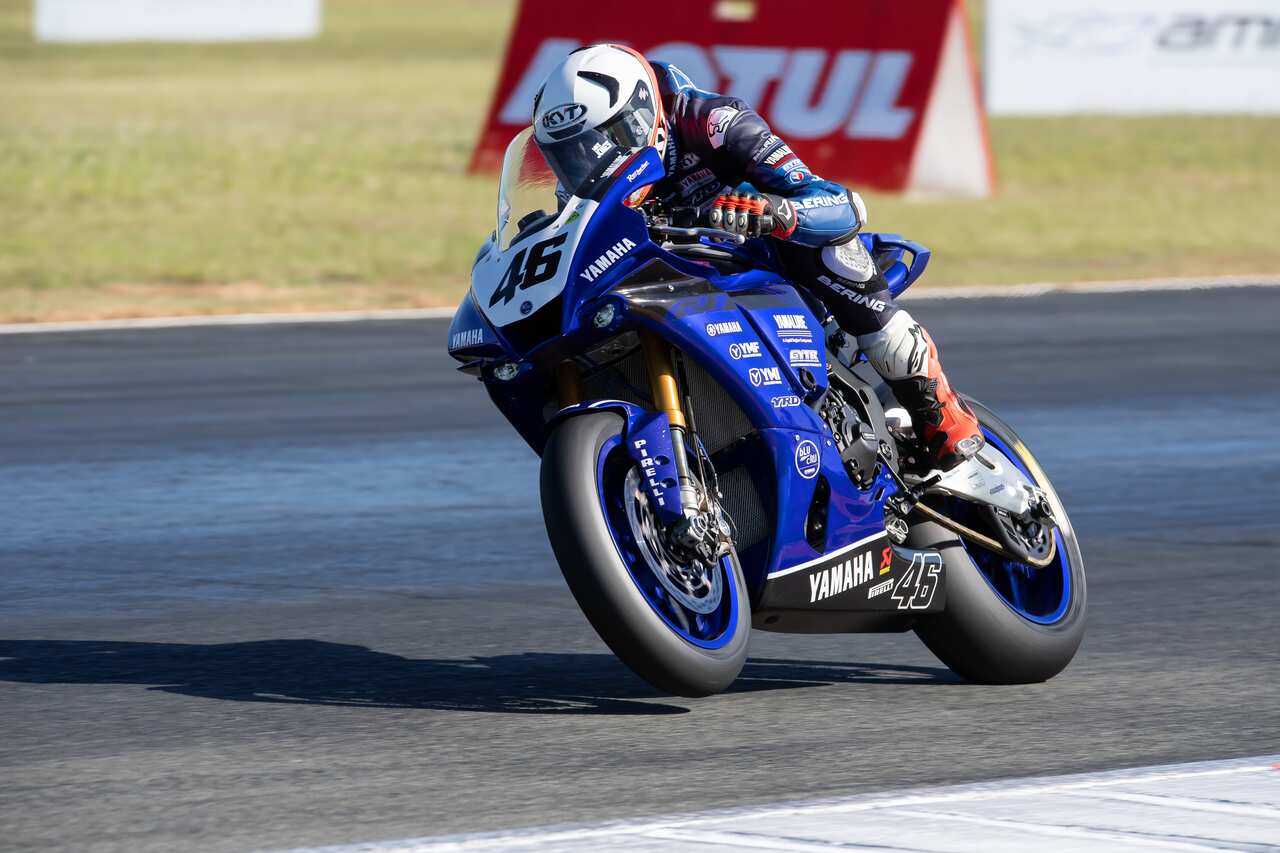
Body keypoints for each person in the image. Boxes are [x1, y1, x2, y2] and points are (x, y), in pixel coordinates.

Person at [531, 44, 983, 471]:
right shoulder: (579, 185)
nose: (589, 161)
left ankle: (944, 421)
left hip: (767, 254)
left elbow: (841, 205)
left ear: (641, 117)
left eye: (601, 142)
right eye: (569, 153)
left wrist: (775, 212)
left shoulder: (713, 122)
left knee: (828, 256)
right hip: (681, 279)